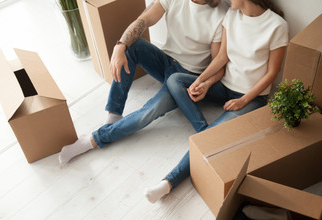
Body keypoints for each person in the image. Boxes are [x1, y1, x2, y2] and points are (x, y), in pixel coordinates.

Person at [144, 0, 288, 203]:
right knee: (175, 80)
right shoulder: (231, 15)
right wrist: (202, 81)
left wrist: (243, 100)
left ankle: (168, 182)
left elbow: (272, 73)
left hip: (251, 98)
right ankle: (204, 132)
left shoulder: (277, 25)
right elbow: (221, 57)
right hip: (224, 86)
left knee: (209, 137)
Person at [58, 0, 229, 165]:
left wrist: (203, 84)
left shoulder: (220, 14)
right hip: (165, 61)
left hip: (185, 75)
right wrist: (120, 46)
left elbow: (217, 63)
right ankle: (114, 114)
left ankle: (91, 140)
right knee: (132, 45)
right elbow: (145, 19)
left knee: (149, 111)